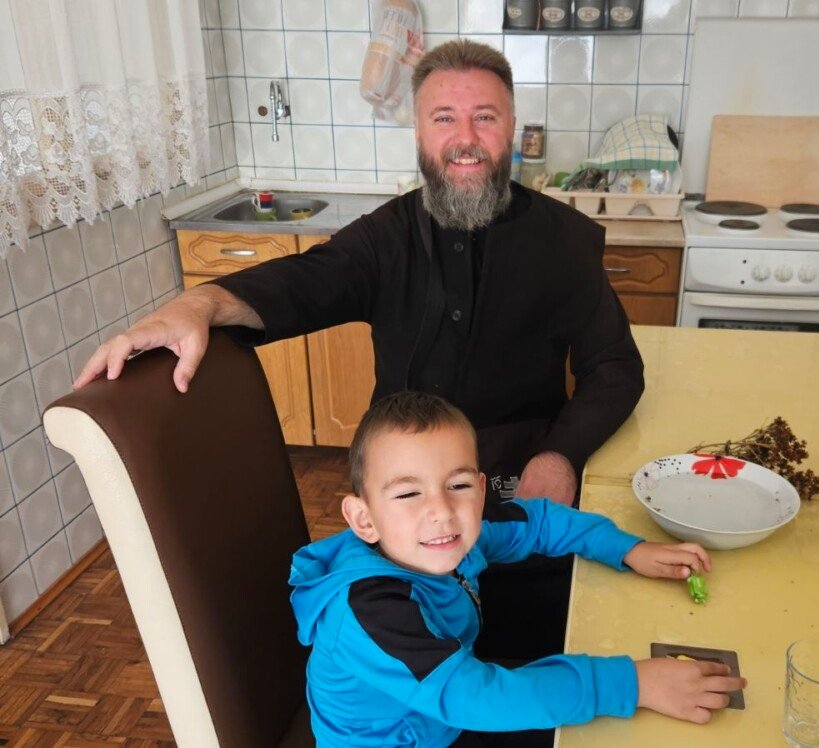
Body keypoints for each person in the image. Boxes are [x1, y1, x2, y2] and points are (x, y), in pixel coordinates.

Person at [73, 39, 643, 659]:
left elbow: (615, 367)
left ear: (512, 127)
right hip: (403, 509)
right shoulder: (384, 238)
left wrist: (560, 455)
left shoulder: (564, 240)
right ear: (419, 132)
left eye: (485, 116)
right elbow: (299, 284)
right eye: (444, 118)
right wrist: (199, 304)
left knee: (538, 644)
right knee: (411, 656)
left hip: (520, 489)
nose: (466, 138)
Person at [291, 391, 746, 748]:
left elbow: (539, 522)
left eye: (458, 485)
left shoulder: (453, 536)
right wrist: (634, 683)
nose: (442, 511)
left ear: (481, 489)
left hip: (443, 716)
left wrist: (628, 549)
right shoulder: (367, 609)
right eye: (409, 493)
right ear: (364, 519)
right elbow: (474, 697)